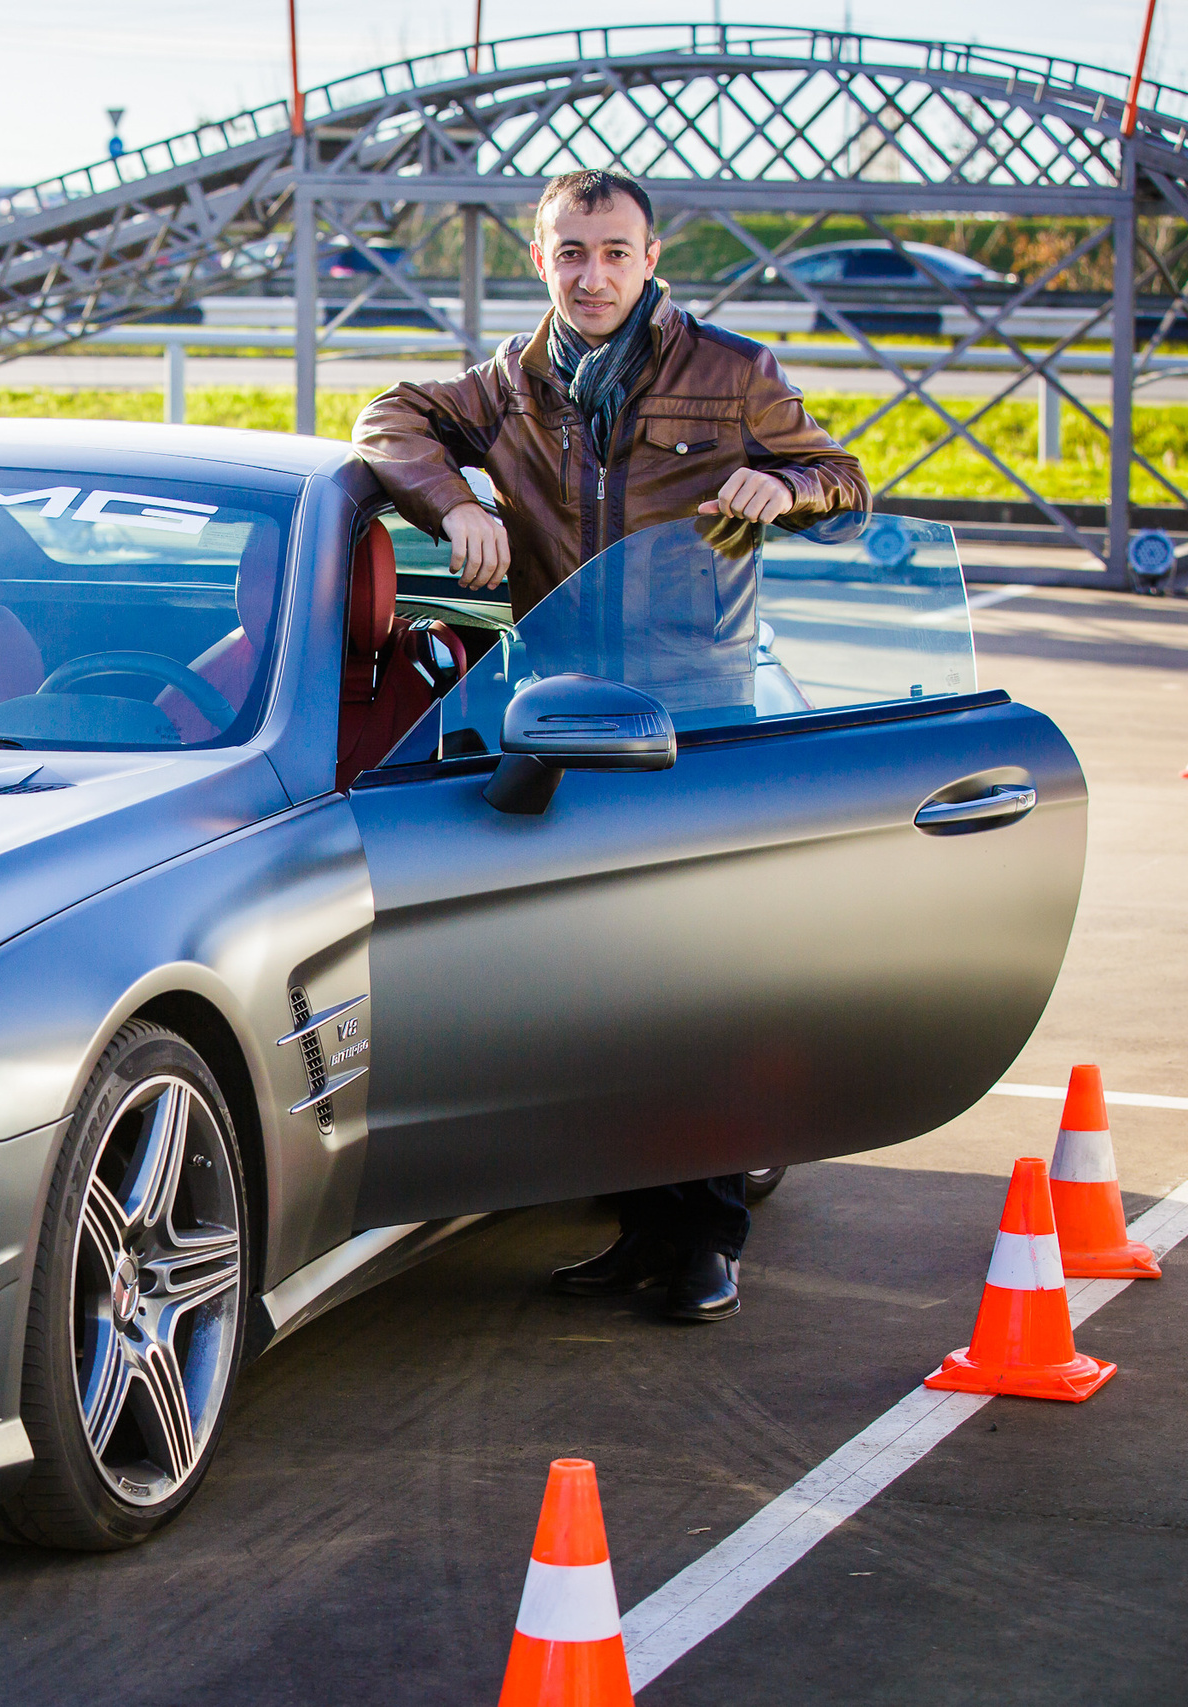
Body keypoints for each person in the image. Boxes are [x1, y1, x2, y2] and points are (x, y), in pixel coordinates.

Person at [353, 168, 869, 1323]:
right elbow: (386, 419)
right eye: (571, 252)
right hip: (565, 711)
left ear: (651, 260)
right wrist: (459, 508)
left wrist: (783, 487)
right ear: (541, 260)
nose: (592, 275)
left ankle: (703, 1241)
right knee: (600, 980)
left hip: (697, 716)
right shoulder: (509, 383)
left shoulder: (733, 373)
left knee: (693, 981)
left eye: (615, 253)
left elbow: (847, 481)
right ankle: (643, 1227)